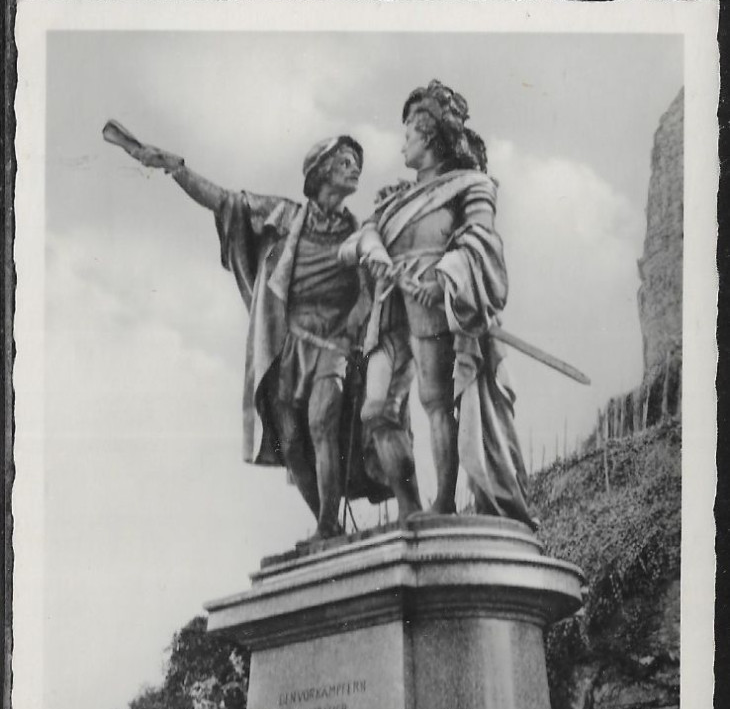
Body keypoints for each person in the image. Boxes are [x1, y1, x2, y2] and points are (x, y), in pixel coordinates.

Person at [103, 121, 380, 539]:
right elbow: (224, 201)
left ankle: (326, 523)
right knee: (291, 437)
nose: (354, 169)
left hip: (335, 343)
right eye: (345, 161)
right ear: (322, 171)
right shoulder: (285, 215)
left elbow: (370, 288)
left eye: (356, 163)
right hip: (290, 344)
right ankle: (329, 527)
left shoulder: (361, 233)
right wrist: (176, 168)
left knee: (325, 417)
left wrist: (355, 324)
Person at [338, 80, 534, 528]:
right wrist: (377, 253)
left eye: (407, 134)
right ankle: (410, 505)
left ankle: (442, 504)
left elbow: (481, 240)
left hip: (435, 303)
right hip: (390, 306)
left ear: (426, 136)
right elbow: (356, 240)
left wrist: (445, 278)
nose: (402, 144)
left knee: (435, 401)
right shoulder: (394, 200)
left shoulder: (473, 185)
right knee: (377, 410)